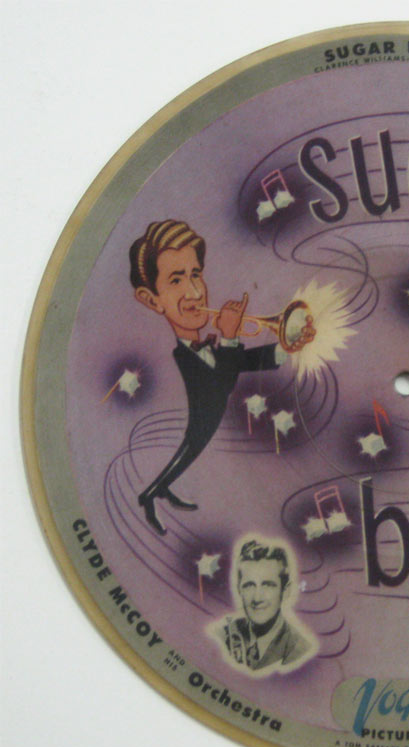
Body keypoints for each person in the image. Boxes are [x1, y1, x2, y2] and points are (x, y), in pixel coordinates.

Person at [129, 220, 310, 534]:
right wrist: (229, 336)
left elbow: (242, 362)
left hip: (208, 424)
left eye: (196, 275)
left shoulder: (209, 348)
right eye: (176, 280)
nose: (195, 292)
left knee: (184, 458)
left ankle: (156, 492)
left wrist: (287, 346)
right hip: (203, 423)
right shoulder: (183, 355)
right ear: (151, 299)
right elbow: (222, 384)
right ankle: (151, 495)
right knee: (185, 457)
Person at [217, 539, 314, 672]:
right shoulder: (222, 636)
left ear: (285, 591)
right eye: (249, 585)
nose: (257, 598)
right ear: (239, 590)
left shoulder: (300, 652)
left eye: (268, 585)